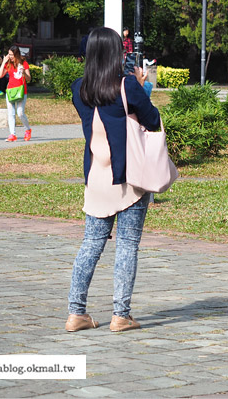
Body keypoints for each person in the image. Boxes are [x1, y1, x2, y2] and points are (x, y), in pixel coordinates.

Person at [66, 27, 161, 333]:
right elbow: (152, 119)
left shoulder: (79, 88)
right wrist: (141, 87)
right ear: (116, 54)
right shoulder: (127, 87)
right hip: (129, 180)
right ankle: (121, 315)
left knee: (90, 245)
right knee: (127, 245)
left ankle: (75, 313)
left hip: (96, 178)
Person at [0, 45, 32, 142]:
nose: (10, 57)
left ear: (16, 54)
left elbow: (29, 79)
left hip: (21, 91)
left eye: (12, 55)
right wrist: (4, 62)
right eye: (9, 55)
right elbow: (0, 75)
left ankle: (27, 129)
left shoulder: (24, 63)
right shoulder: (8, 63)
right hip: (10, 91)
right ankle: (12, 134)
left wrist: (23, 73)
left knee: (20, 113)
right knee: (11, 113)